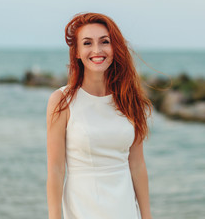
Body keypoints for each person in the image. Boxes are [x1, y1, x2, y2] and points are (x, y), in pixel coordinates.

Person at [46, 12, 153, 219]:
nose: (97, 50)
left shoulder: (130, 100)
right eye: (87, 43)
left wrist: (147, 216)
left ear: (115, 48)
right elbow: (56, 169)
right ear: (77, 51)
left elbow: (137, 165)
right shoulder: (61, 100)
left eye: (105, 42)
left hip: (124, 209)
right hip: (82, 208)